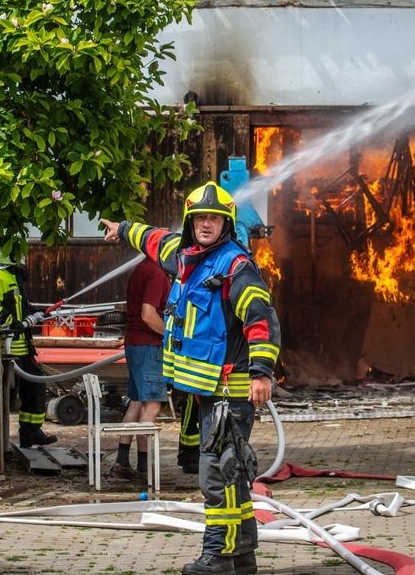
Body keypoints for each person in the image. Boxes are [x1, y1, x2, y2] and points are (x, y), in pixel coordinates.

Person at [102, 181, 281, 575]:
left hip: (229, 390)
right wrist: (122, 228)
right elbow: (152, 238)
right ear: (190, 221)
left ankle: (218, 557)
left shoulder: (236, 267)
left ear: (225, 224)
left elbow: (261, 321)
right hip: (203, 392)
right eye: (200, 217)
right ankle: (243, 557)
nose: (206, 223)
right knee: (229, 473)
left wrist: (262, 373)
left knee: (217, 476)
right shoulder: (183, 255)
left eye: (214, 218)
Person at [0, 251, 57, 448]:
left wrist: (33, 313)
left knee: (36, 387)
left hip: (21, 347)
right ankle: (9, 439)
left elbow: (17, 306)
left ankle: (31, 432)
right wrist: (12, 323)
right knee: (13, 394)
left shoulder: (12, 277)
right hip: (7, 349)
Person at [111, 255, 172, 480]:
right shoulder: (156, 273)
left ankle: (122, 461)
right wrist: (172, 335)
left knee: (136, 403)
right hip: (149, 346)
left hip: (136, 343)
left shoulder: (141, 268)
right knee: (152, 404)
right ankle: (145, 469)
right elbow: (148, 314)